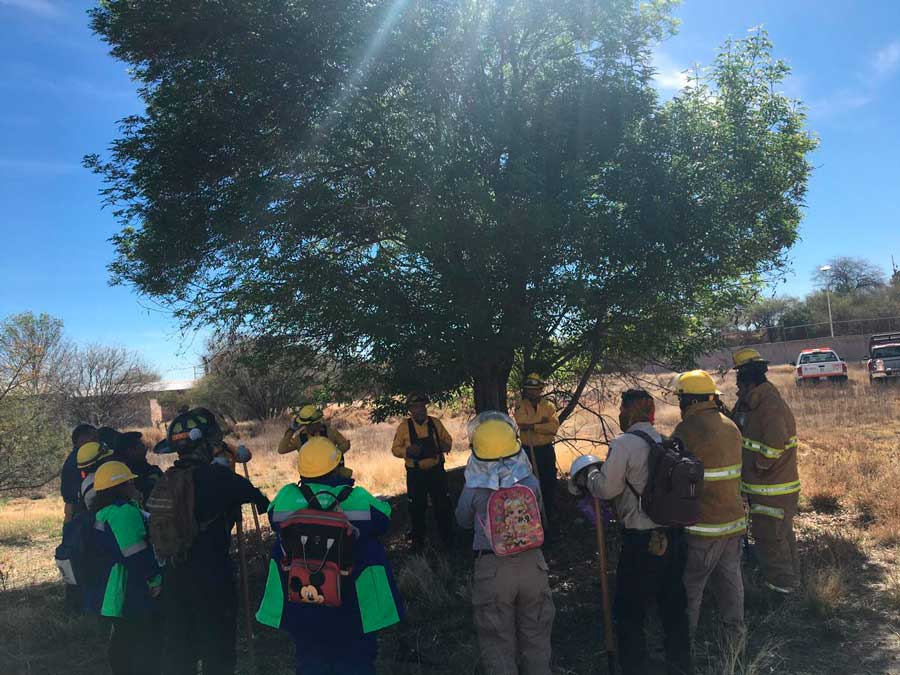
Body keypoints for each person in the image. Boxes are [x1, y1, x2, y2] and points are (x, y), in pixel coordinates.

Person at [569, 389, 692, 675]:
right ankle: (680, 667)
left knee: (629, 612)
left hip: (641, 543)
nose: (620, 415)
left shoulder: (624, 444)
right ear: (650, 413)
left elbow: (606, 489)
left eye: (622, 409)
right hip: (674, 539)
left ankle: (635, 668)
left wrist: (590, 475)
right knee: (673, 609)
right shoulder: (667, 441)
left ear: (628, 411)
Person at [257, 437, 403, 674]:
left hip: (304, 599)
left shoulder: (286, 496)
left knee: (311, 659)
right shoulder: (356, 497)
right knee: (356, 660)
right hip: (354, 600)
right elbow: (383, 519)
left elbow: (273, 517)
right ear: (336, 465)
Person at [152, 408, 270, 675]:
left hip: (173, 574)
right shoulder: (219, 478)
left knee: (180, 648)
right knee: (217, 649)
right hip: (212, 577)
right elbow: (261, 503)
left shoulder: (168, 479)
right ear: (205, 444)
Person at [455, 412, 555, 674]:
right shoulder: (530, 481)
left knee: (497, 640)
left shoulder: (474, 487)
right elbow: (541, 516)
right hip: (534, 565)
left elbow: (462, 520)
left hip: (493, 568)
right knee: (537, 636)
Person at [671, 371, 745, 647]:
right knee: (731, 585)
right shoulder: (731, 425)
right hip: (733, 522)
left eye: (681, 399)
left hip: (703, 527)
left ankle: (684, 646)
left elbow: (673, 476)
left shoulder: (688, 430)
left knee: (691, 588)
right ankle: (736, 645)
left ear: (689, 400)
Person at [730, 348, 800, 595]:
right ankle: (791, 585)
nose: (737, 382)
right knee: (780, 537)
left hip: (772, 488)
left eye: (739, 376)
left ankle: (781, 592)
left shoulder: (769, 404)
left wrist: (759, 466)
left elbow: (774, 444)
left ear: (748, 378)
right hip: (761, 488)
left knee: (771, 540)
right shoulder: (750, 402)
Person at [83, 460, 162, 675]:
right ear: (121, 486)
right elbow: (136, 554)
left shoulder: (102, 512)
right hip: (128, 589)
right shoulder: (123, 513)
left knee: (122, 639)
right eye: (129, 483)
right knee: (138, 642)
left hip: (110, 589)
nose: (133, 486)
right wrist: (155, 579)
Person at [390, 393, 454, 549]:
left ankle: (447, 540)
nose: (421, 410)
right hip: (416, 474)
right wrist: (408, 451)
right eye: (417, 407)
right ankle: (419, 543)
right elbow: (395, 449)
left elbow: (448, 440)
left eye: (423, 407)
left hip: (436, 472)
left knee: (442, 505)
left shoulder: (435, 423)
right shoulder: (404, 427)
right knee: (417, 508)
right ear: (410, 410)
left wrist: (445, 446)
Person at [513, 373, 561, 519]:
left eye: (534, 389)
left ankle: (550, 514)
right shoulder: (521, 405)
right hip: (528, 451)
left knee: (549, 482)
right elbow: (521, 422)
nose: (531, 392)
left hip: (546, 450)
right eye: (528, 389)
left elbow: (553, 427)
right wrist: (542, 422)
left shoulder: (549, 406)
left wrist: (533, 426)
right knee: (530, 484)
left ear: (541, 389)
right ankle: (533, 517)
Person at [277, 404, 351, 455]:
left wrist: (334, 454)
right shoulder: (299, 438)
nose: (307, 427)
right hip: (309, 476)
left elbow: (345, 445)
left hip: (331, 474)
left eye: (310, 425)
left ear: (318, 422)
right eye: (305, 424)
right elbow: (282, 450)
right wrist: (291, 430)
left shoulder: (331, 432)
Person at [61, 424, 99, 523]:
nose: (97, 442)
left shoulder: (78, 458)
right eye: (94, 438)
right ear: (82, 440)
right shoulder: (78, 462)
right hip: (83, 513)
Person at [115, 431, 163, 505]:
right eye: (141, 446)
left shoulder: (118, 477)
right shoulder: (125, 479)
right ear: (130, 451)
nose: (145, 449)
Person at [77, 440, 117, 512]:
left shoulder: (86, 482)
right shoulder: (102, 484)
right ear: (99, 463)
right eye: (106, 458)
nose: (110, 460)